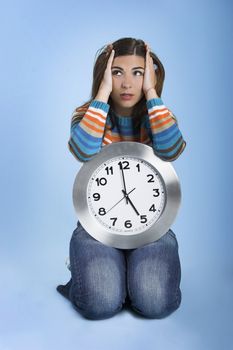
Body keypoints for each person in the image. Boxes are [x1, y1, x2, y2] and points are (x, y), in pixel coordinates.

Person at [57, 37, 186, 320]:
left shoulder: (159, 115)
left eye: (138, 73)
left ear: (149, 75)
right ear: (105, 74)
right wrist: (101, 94)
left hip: (151, 230)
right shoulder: (87, 115)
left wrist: (152, 92)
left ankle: (126, 277)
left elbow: (171, 149)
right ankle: (85, 277)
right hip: (97, 230)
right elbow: (83, 150)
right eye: (117, 72)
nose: (127, 83)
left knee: (155, 303)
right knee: (99, 304)